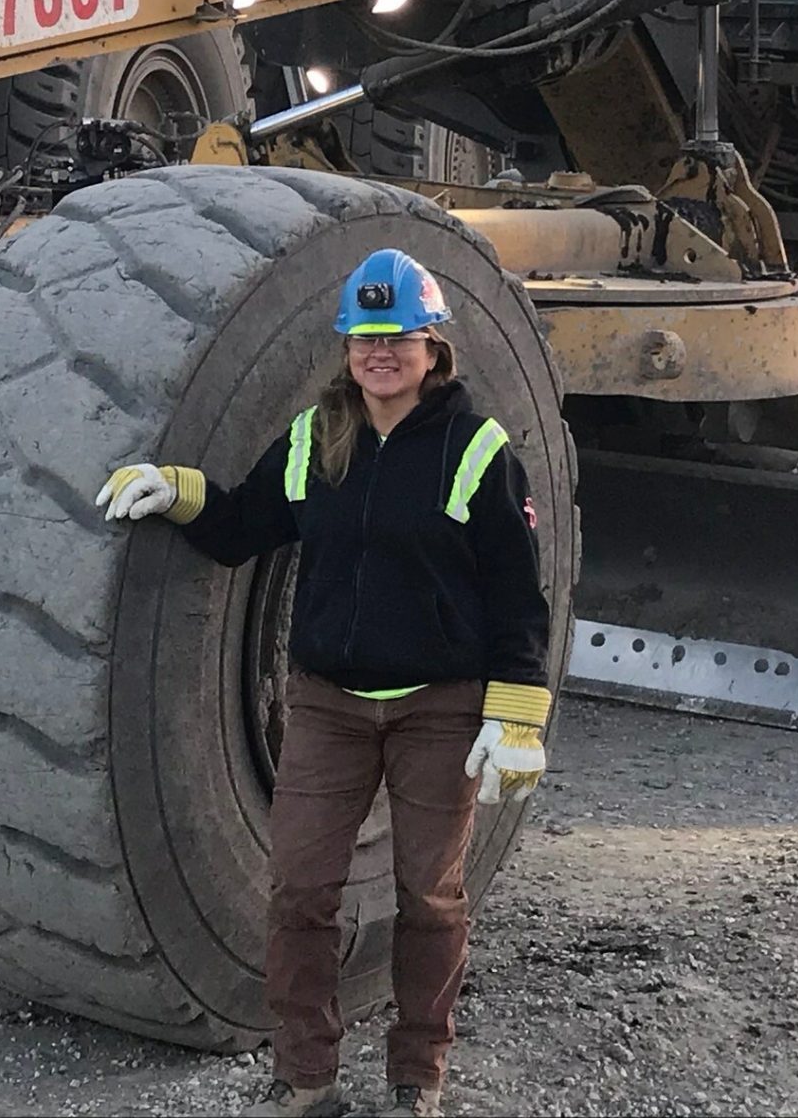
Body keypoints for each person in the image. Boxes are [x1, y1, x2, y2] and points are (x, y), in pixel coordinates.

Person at [95, 248, 554, 1118]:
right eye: (364, 338)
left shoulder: (477, 448)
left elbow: (515, 595)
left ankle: (416, 1075)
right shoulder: (316, 437)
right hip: (328, 708)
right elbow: (244, 526)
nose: (380, 353)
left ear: (433, 348)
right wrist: (177, 491)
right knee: (300, 889)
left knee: (429, 894)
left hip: (437, 712)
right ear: (346, 347)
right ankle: (305, 1078)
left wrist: (516, 717)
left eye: (399, 338)